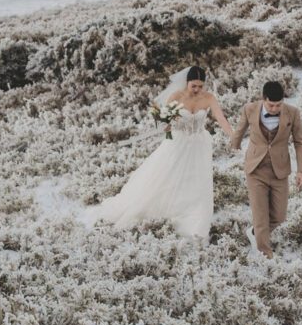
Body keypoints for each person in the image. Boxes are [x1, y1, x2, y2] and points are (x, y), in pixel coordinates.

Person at [84, 66, 234, 239]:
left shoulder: (208, 98)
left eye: (201, 86)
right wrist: (167, 122)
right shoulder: (176, 97)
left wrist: (233, 136)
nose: (197, 90)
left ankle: (194, 215)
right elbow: (165, 124)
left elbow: (221, 118)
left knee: (197, 179)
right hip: (178, 142)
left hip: (199, 144)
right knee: (167, 174)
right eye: (194, 86)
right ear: (187, 82)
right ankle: (163, 209)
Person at [231, 80, 302, 258]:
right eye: (271, 105)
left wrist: (301, 170)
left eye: (278, 105)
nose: (274, 109)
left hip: (280, 170)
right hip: (255, 169)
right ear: (263, 99)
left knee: (280, 216)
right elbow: (239, 132)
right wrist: (233, 146)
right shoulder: (249, 109)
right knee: (260, 217)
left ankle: (255, 233)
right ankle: (265, 255)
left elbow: (299, 141)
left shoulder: (293, 113)